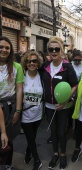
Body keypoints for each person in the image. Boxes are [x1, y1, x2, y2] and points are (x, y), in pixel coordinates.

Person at [39, 36, 78, 170]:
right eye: (51, 49)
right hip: (49, 106)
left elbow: (74, 85)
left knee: (61, 132)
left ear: (61, 50)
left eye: (57, 49)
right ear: (48, 51)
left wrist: (66, 101)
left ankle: (63, 155)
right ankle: (55, 154)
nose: (54, 51)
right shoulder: (44, 66)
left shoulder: (67, 66)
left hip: (63, 107)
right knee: (53, 132)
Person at [0, 36, 24, 170]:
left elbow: (19, 89)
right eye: (1, 47)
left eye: (7, 48)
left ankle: (8, 164)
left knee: (8, 138)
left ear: (11, 50)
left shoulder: (17, 67)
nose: (4, 50)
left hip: (10, 107)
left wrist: (18, 111)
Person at [20, 51, 44, 170]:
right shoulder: (22, 75)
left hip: (38, 114)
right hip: (25, 114)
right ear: (25, 62)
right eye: (29, 61)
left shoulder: (42, 75)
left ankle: (28, 151)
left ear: (38, 62)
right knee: (30, 137)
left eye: (34, 61)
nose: (32, 63)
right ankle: (37, 160)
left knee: (32, 137)